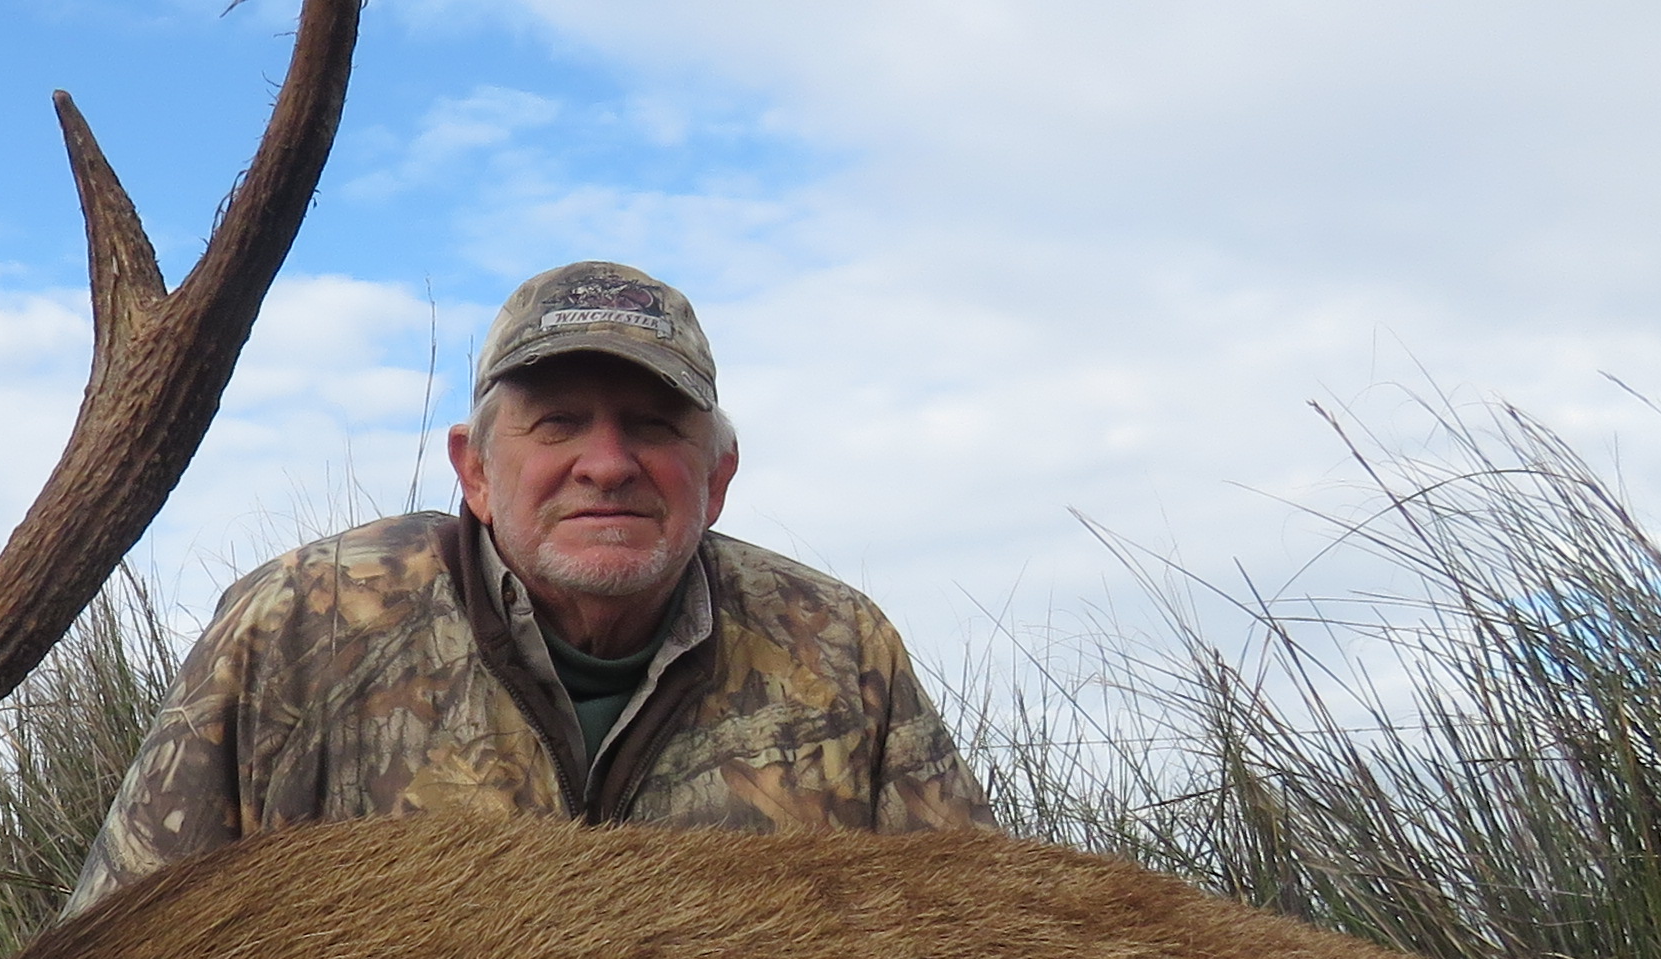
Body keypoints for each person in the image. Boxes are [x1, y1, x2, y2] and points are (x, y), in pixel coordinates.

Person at [63, 261, 991, 913]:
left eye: (654, 426)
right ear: (473, 471)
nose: (607, 464)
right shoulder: (300, 626)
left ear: (717, 479)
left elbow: (981, 948)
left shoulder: (840, 649)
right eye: (558, 424)